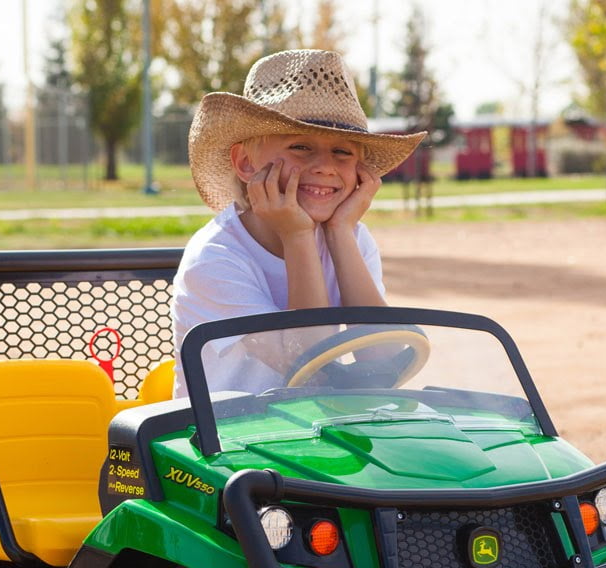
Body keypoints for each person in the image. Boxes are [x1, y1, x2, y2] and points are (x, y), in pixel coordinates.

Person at [172, 48, 425, 396]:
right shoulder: (214, 258)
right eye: (301, 147)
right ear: (246, 163)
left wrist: (339, 233)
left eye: (343, 151)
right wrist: (298, 236)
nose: (324, 166)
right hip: (227, 439)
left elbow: (381, 360)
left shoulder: (352, 239)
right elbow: (309, 367)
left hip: (312, 433)